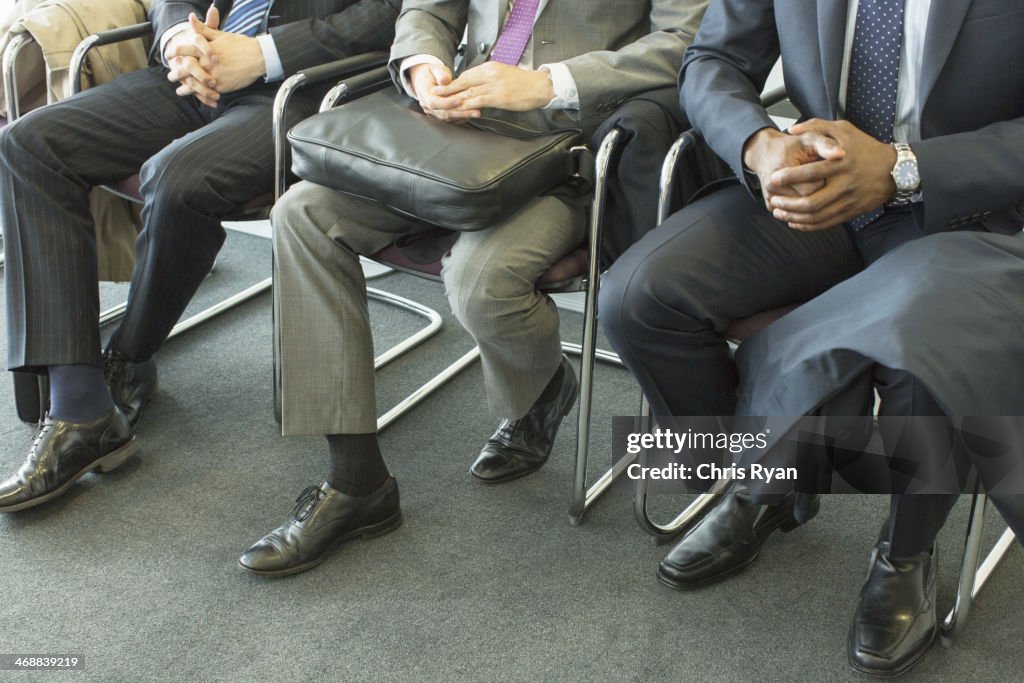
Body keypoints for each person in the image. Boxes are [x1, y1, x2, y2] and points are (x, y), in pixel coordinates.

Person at [599, 0, 1024, 677]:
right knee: (638, 298)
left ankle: (906, 550)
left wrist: (902, 168)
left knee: (919, 354)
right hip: (812, 191)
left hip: (964, 212)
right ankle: (766, 477)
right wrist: (758, 144)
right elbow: (712, 60)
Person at [238, 0, 708, 577]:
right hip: (448, 122)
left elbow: (687, 39)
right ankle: (357, 482)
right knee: (299, 214)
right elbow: (427, 10)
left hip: (570, 149)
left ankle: (540, 388)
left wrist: (546, 84)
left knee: (480, 280)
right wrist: (421, 66)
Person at [0, 0, 401, 513]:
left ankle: (130, 356)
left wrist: (261, 54)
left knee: (175, 179)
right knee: (29, 143)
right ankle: (83, 408)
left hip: (301, 88)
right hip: (194, 73)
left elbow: (399, 11)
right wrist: (178, 42)